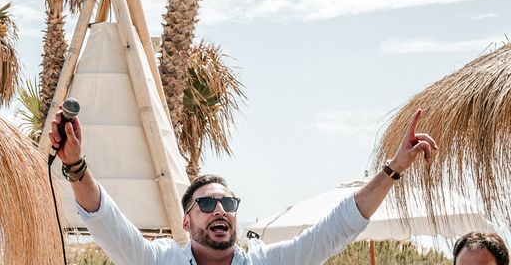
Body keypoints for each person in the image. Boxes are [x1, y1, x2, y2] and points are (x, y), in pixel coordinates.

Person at [50, 109, 437, 265]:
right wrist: (75, 165)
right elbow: (105, 220)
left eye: (227, 202)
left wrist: (393, 168)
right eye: (206, 204)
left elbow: (338, 227)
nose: (220, 209)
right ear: (186, 222)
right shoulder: (158, 261)